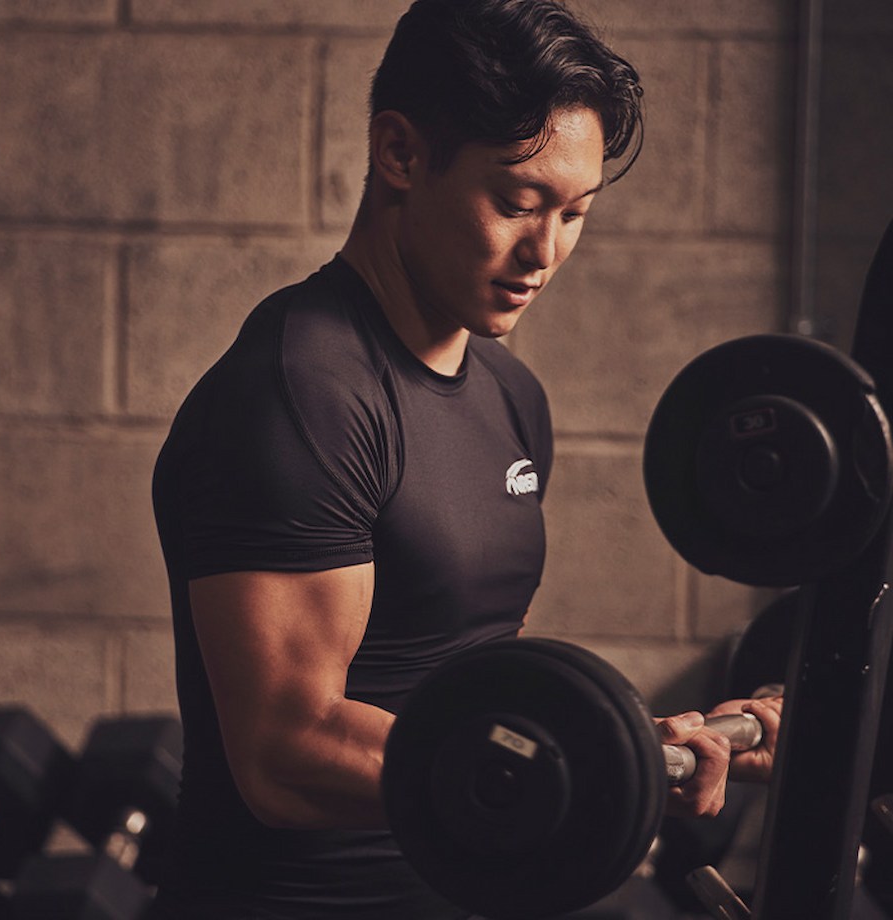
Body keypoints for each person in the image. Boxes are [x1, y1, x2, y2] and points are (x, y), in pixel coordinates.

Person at [149, 1, 782, 917]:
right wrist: (601, 762)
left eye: (575, 213)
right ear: (400, 153)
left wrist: (625, 742)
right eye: (517, 203)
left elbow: (481, 683)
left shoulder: (509, 395)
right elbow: (284, 754)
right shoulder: (301, 392)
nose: (546, 251)